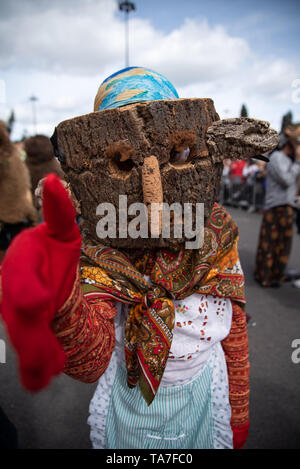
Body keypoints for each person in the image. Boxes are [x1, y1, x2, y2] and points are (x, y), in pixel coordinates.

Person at [0, 67, 277, 450]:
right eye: (124, 163)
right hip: (130, 406)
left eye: (173, 155)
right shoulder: (102, 247)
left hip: (205, 396)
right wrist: (62, 295)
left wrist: (239, 411)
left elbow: (234, 334)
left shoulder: (216, 232)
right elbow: (91, 361)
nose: (153, 195)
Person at [255, 133, 300, 287]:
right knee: (270, 243)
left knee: (283, 244)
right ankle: (265, 276)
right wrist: (297, 163)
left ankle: (276, 274)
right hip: (275, 206)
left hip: (287, 206)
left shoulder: (289, 160)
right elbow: (286, 180)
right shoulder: (277, 158)